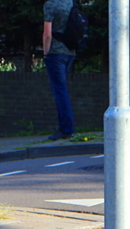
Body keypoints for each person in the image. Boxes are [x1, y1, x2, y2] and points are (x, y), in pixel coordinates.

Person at [43, 0, 76, 141]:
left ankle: (66, 129)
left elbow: (47, 34)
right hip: (70, 52)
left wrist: (45, 53)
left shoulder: (50, 4)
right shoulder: (71, 3)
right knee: (62, 90)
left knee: (59, 91)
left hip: (56, 52)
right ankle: (66, 127)